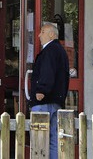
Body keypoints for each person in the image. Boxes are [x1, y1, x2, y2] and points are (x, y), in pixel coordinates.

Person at [29, 22, 70, 159]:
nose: (39, 35)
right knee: (53, 139)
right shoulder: (60, 50)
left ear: (52, 34)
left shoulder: (50, 50)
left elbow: (47, 72)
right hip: (56, 101)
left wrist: (41, 90)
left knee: (39, 139)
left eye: (43, 32)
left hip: (44, 101)